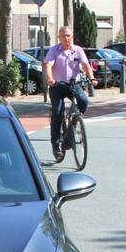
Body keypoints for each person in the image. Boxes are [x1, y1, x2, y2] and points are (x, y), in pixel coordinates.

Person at [42, 26, 96, 162]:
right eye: (63, 36)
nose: (66, 38)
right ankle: (56, 145)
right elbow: (48, 65)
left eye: (68, 35)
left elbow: (85, 65)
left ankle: (73, 123)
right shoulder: (54, 51)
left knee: (83, 101)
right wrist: (50, 79)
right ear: (59, 38)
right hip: (57, 86)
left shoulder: (77, 50)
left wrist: (92, 78)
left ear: (72, 37)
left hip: (73, 84)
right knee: (58, 112)